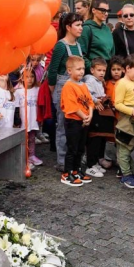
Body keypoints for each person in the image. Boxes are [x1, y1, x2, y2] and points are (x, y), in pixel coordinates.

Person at [48, 12, 85, 170]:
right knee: (63, 125)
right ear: (68, 27)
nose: (81, 28)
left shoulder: (78, 45)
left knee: (78, 124)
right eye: (77, 25)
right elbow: (52, 71)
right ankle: (62, 161)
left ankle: (75, 158)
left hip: (78, 87)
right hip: (63, 87)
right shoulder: (60, 46)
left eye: (81, 25)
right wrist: (54, 93)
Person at [59, 56, 94, 187]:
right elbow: (71, 106)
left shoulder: (83, 85)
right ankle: (67, 173)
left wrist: (89, 115)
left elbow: (90, 102)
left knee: (80, 148)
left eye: (83, 69)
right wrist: (84, 116)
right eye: (78, 69)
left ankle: (77, 169)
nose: (81, 71)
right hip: (73, 121)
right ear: (69, 70)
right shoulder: (68, 86)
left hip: (84, 121)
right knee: (72, 148)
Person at [114, 54, 134, 188]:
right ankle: (126, 174)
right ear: (127, 68)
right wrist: (131, 111)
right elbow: (117, 104)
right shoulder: (121, 83)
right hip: (126, 123)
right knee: (124, 150)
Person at [84, 58, 110, 177]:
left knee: (99, 138)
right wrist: (95, 100)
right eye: (99, 70)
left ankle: (94, 162)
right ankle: (90, 165)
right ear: (92, 70)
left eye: (103, 70)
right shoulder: (90, 79)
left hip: (98, 112)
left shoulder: (99, 81)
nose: (101, 73)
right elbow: (87, 93)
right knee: (93, 138)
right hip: (92, 112)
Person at [79, 0, 114, 72]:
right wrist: (93, 70)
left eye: (108, 10)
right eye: (103, 10)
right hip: (93, 73)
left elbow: (112, 52)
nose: (106, 13)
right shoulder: (86, 28)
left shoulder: (107, 29)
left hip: (107, 72)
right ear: (94, 10)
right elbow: (81, 54)